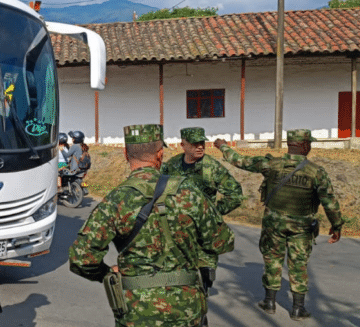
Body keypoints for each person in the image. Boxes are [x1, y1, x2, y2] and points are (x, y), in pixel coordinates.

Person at [69, 124, 235, 327]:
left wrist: (107, 274)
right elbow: (222, 242)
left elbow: (81, 259)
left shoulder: (115, 200)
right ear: (160, 154)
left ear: (125, 154)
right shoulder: (189, 192)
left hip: (136, 312)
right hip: (186, 309)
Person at [214, 129, 344, 320]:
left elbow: (240, 161)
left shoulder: (271, 164)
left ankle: (269, 302)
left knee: (272, 259)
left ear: (291, 145)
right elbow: (330, 202)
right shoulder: (316, 172)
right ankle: (298, 309)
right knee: (298, 263)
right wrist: (337, 225)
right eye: (309, 144)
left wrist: (223, 146)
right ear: (305, 146)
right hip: (302, 227)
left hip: (273, 223)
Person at [160, 127, 243, 294]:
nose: (200, 147)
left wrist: (213, 212)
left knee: (205, 274)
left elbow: (235, 195)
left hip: (205, 229)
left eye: (202, 143)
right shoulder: (172, 166)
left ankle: (202, 298)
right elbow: (158, 190)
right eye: (195, 144)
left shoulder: (211, 167)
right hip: (178, 229)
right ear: (183, 145)